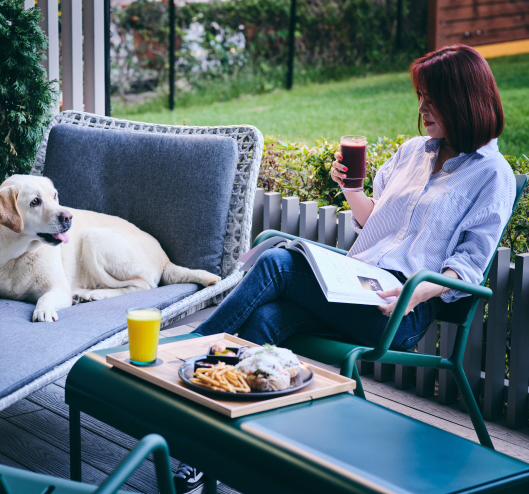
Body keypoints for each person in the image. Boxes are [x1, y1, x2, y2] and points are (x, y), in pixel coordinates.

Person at [170, 44, 516, 494]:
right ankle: (204, 451)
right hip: (352, 285)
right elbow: (376, 224)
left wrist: (415, 294)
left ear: (464, 99)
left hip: (399, 308)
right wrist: (351, 188)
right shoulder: (413, 152)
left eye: (432, 97)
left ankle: (181, 363)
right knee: (262, 321)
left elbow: (468, 268)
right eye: (419, 96)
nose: (422, 107)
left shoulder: (493, 175)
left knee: (276, 261)